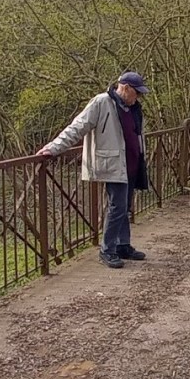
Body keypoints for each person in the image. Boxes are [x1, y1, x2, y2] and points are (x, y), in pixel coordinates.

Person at [37, 71, 150, 268]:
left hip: (131, 164)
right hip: (113, 164)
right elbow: (77, 127)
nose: (138, 97)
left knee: (124, 206)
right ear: (125, 88)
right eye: (137, 93)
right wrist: (53, 148)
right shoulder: (101, 102)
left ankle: (122, 245)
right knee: (117, 207)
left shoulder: (132, 107)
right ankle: (107, 250)